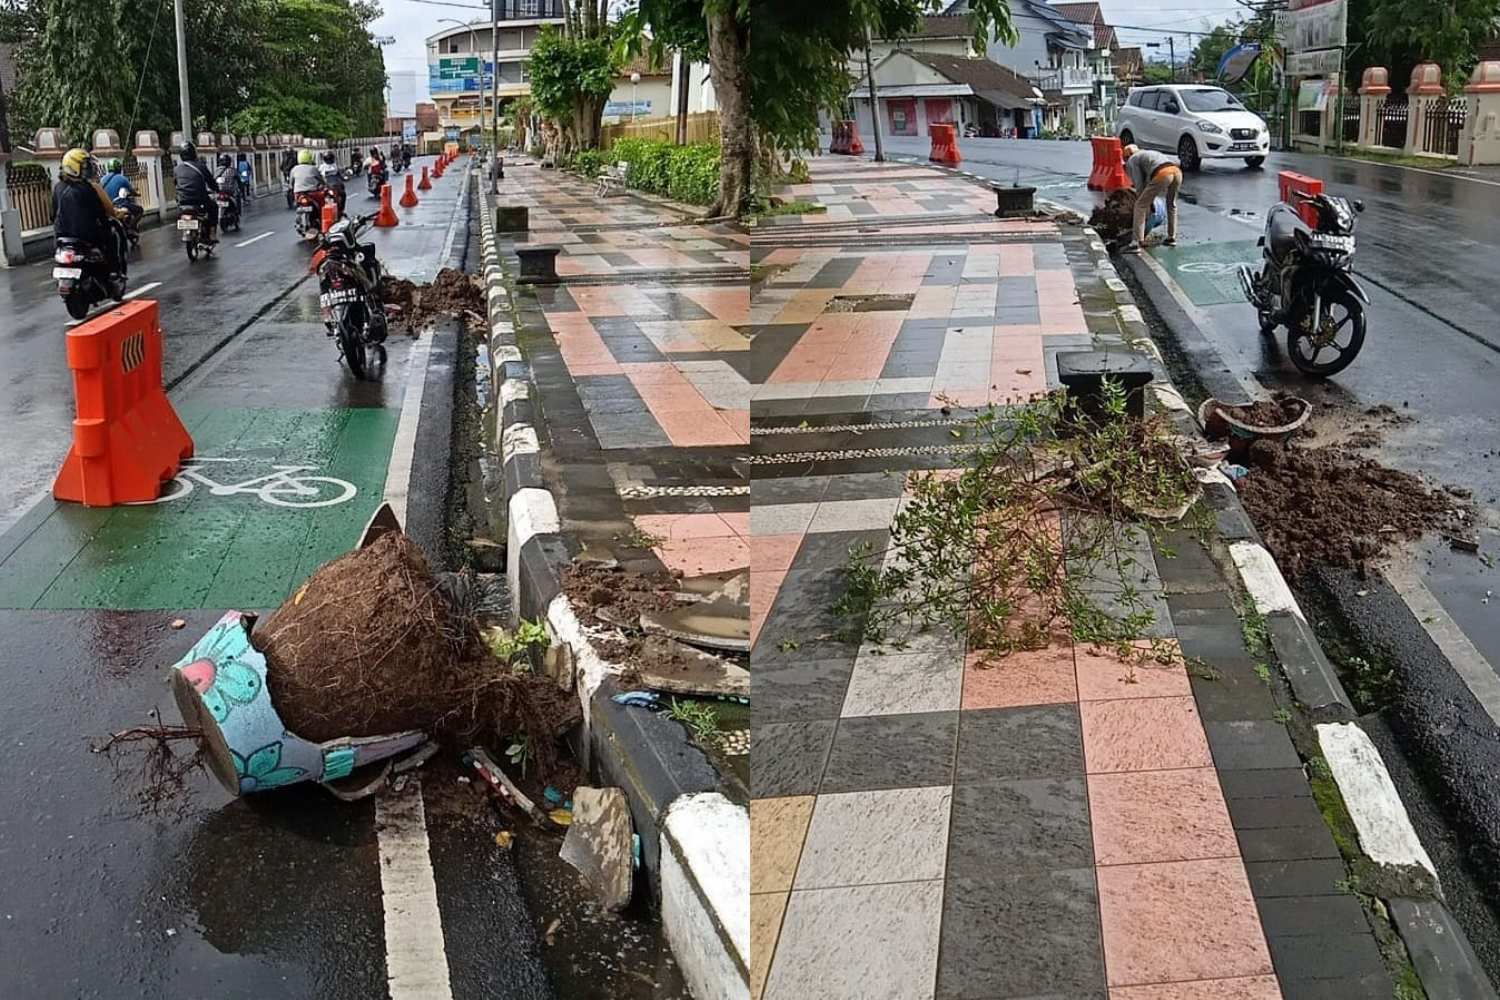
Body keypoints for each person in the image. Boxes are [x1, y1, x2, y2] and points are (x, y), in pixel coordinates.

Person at [53, 148, 127, 277]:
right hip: (85, 236)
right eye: (84, 166)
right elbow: (99, 212)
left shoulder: (58, 188)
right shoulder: (87, 188)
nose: (87, 170)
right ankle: (114, 271)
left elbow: (52, 214)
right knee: (111, 238)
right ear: (74, 167)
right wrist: (106, 222)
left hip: (62, 237)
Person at [1120, 144, 1181, 253]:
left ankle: (1136, 243)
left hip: (1163, 174)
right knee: (1171, 204)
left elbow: (1139, 186)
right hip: (1176, 171)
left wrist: (1145, 202)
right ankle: (1171, 237)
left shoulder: (1132, 160)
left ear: (1127, 156)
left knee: (1140, 206)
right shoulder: (1147, 154)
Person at [173, 141, 220, 243]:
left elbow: (175, 183)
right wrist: (217, 189)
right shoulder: (201, 166)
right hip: (199, 200)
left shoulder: (177, 169)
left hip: (182, 201)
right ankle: (212, 233)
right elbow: (211, 182)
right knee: (214, 207)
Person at [99, 157, 143, 229]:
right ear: (119, 168)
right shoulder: (122, 178)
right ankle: (131, 228)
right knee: (140, 210)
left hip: (107, 206)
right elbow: (132, 191)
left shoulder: (102, 179)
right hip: (119, 204)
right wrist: (137, 194)